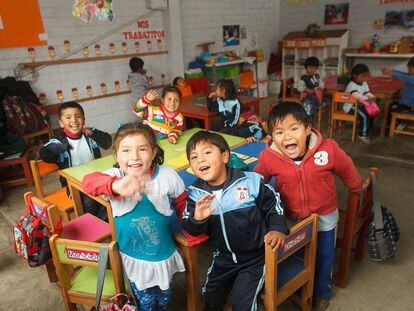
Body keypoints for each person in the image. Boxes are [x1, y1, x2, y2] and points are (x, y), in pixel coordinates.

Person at [254, 102, 362, 311]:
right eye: (279, 132)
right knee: (294, 252)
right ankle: (300, 284)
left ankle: (322, 291)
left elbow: (346, 167)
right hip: (290, 216)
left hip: (324, 215)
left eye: (294, 129)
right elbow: (258, 180)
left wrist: (356, 186)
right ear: (272, 136)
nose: (287, 137)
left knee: (324, 255)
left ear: (307, 129)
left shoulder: (328, 148)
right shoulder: (269, 156)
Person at [82, 123, 186, 311]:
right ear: (116, 155)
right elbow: (88, 182)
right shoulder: (116, 176)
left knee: (164, 299)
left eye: (142, 149)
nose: (134, 157)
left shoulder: (167, 175)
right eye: (126, 150)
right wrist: (114, 186)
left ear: (154, 152)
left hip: (164, 255)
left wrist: (192, 226)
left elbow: (182, 202)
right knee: (146, 305)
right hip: (134, 261)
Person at [181, 130, 287, 311]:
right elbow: (190, 228)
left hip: (256, 258)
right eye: (194, 157)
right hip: (223, 258)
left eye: (207, 153)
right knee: (209, 297)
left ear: (224, 156)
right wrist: (197, 219)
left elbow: (273, 204)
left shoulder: (250, 181)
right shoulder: (195, 194)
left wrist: (278, 228)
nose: (200, 160)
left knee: (242, 304)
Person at [39, 102, 112, 221]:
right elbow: (44, 154)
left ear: (83, 120)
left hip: (97, 177)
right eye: (68, 117)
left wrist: (94, 132)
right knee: (90, 200)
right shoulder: (59, 141)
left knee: (112, 193)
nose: (74, 120)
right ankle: (92, 225)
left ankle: (105, 223)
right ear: (61, 123)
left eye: (78, 116)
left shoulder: (89, 135)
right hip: (73, 185)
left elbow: (107, 143)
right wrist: (58, 148)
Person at [207, 78, 264, 142]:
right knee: (214, 125)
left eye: (217, 89)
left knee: (255, 127)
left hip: (235, 128)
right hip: (225, 127)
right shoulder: (219, 100)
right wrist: (209, 98)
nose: (215, 91)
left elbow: (235, 120)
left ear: (223, 90)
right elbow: (211, 108)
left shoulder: (235, 102)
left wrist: (225, 130)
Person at [345, 64, 377, 143]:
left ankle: (367, 130)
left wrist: (372, 96)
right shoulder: (351, 85)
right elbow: (357, 96)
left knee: (371, 113)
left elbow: (367, 92)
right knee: (364, 116)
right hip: (350, 106)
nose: (364, 78)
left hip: (360, 105)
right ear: (355, 76)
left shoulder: (364, 83)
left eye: (365, 76)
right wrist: (368, 99)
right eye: (362, 76)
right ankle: (362, 135)